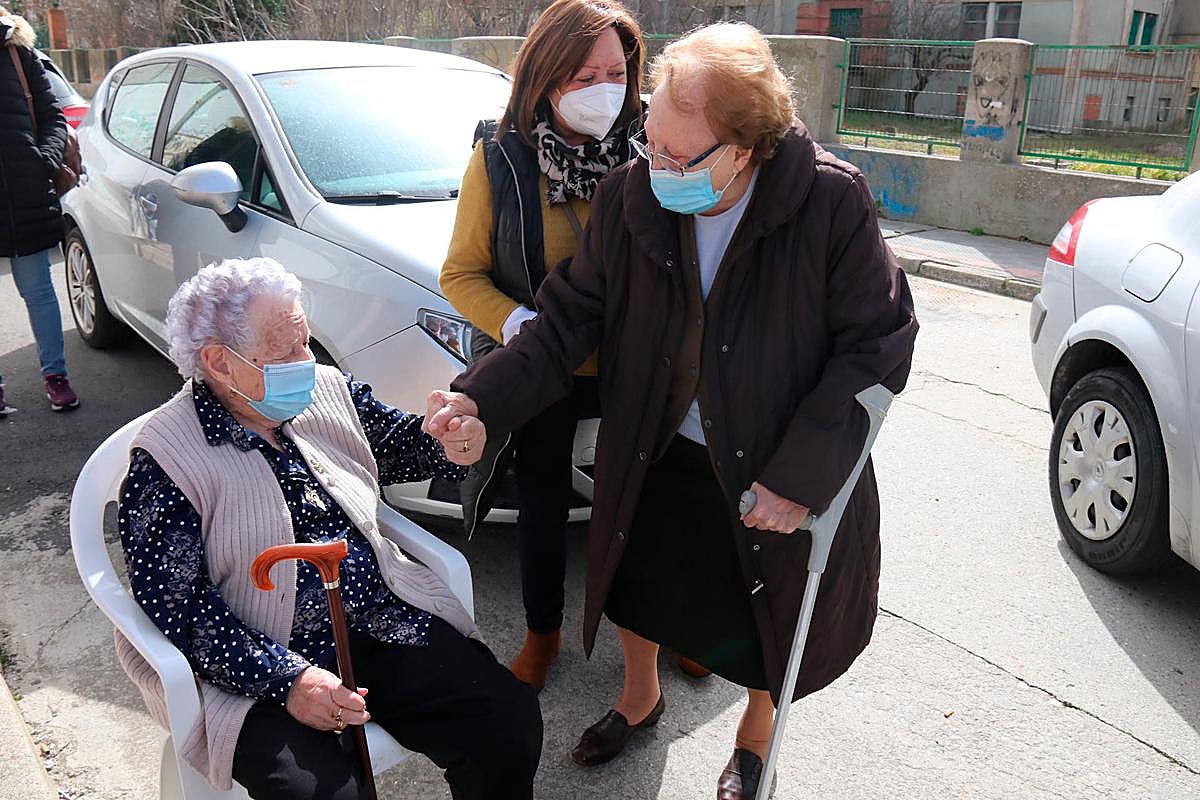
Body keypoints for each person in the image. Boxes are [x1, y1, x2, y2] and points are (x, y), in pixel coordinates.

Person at [426, 23, 919, 799]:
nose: (653, 166)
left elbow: (879, 344)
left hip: (771, 459)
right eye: (648, 141)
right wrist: (480, 398)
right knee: (642, 584)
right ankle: (639, 696)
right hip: (656, 444)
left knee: (764, 615)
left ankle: (755, 740)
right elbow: (563, 322)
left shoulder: (829, 200)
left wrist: (801, 477)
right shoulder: (635, 195)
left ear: (748, 145)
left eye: (677, 157)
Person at [114, 258, 542, 800]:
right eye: (285, 349)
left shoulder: (324, 390)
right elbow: (180, 610)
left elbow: (397, 445)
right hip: (251, 661)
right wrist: (287, 680)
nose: (307, 361)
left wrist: (450, 438)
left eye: (306, 340)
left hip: (372, 620)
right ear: (219, 362)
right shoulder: (165, 461)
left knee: (504, 720)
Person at [439, 0, 645, 691]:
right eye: (584, 76)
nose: (605, 90)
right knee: (544, 503)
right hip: (545, 365)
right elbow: (460, 274)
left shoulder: (657, 150)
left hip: (634, 363)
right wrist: (517, 323)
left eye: (616, 72)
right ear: (545, 78)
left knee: (646, 502)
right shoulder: (500, 160)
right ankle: (542, 634)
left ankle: (660, 633)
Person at [0, 7, 77, 415]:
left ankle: (56, 376)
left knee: (39, 292)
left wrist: (43, 160)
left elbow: (52, 116)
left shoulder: (19, 53)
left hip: (26, 192)